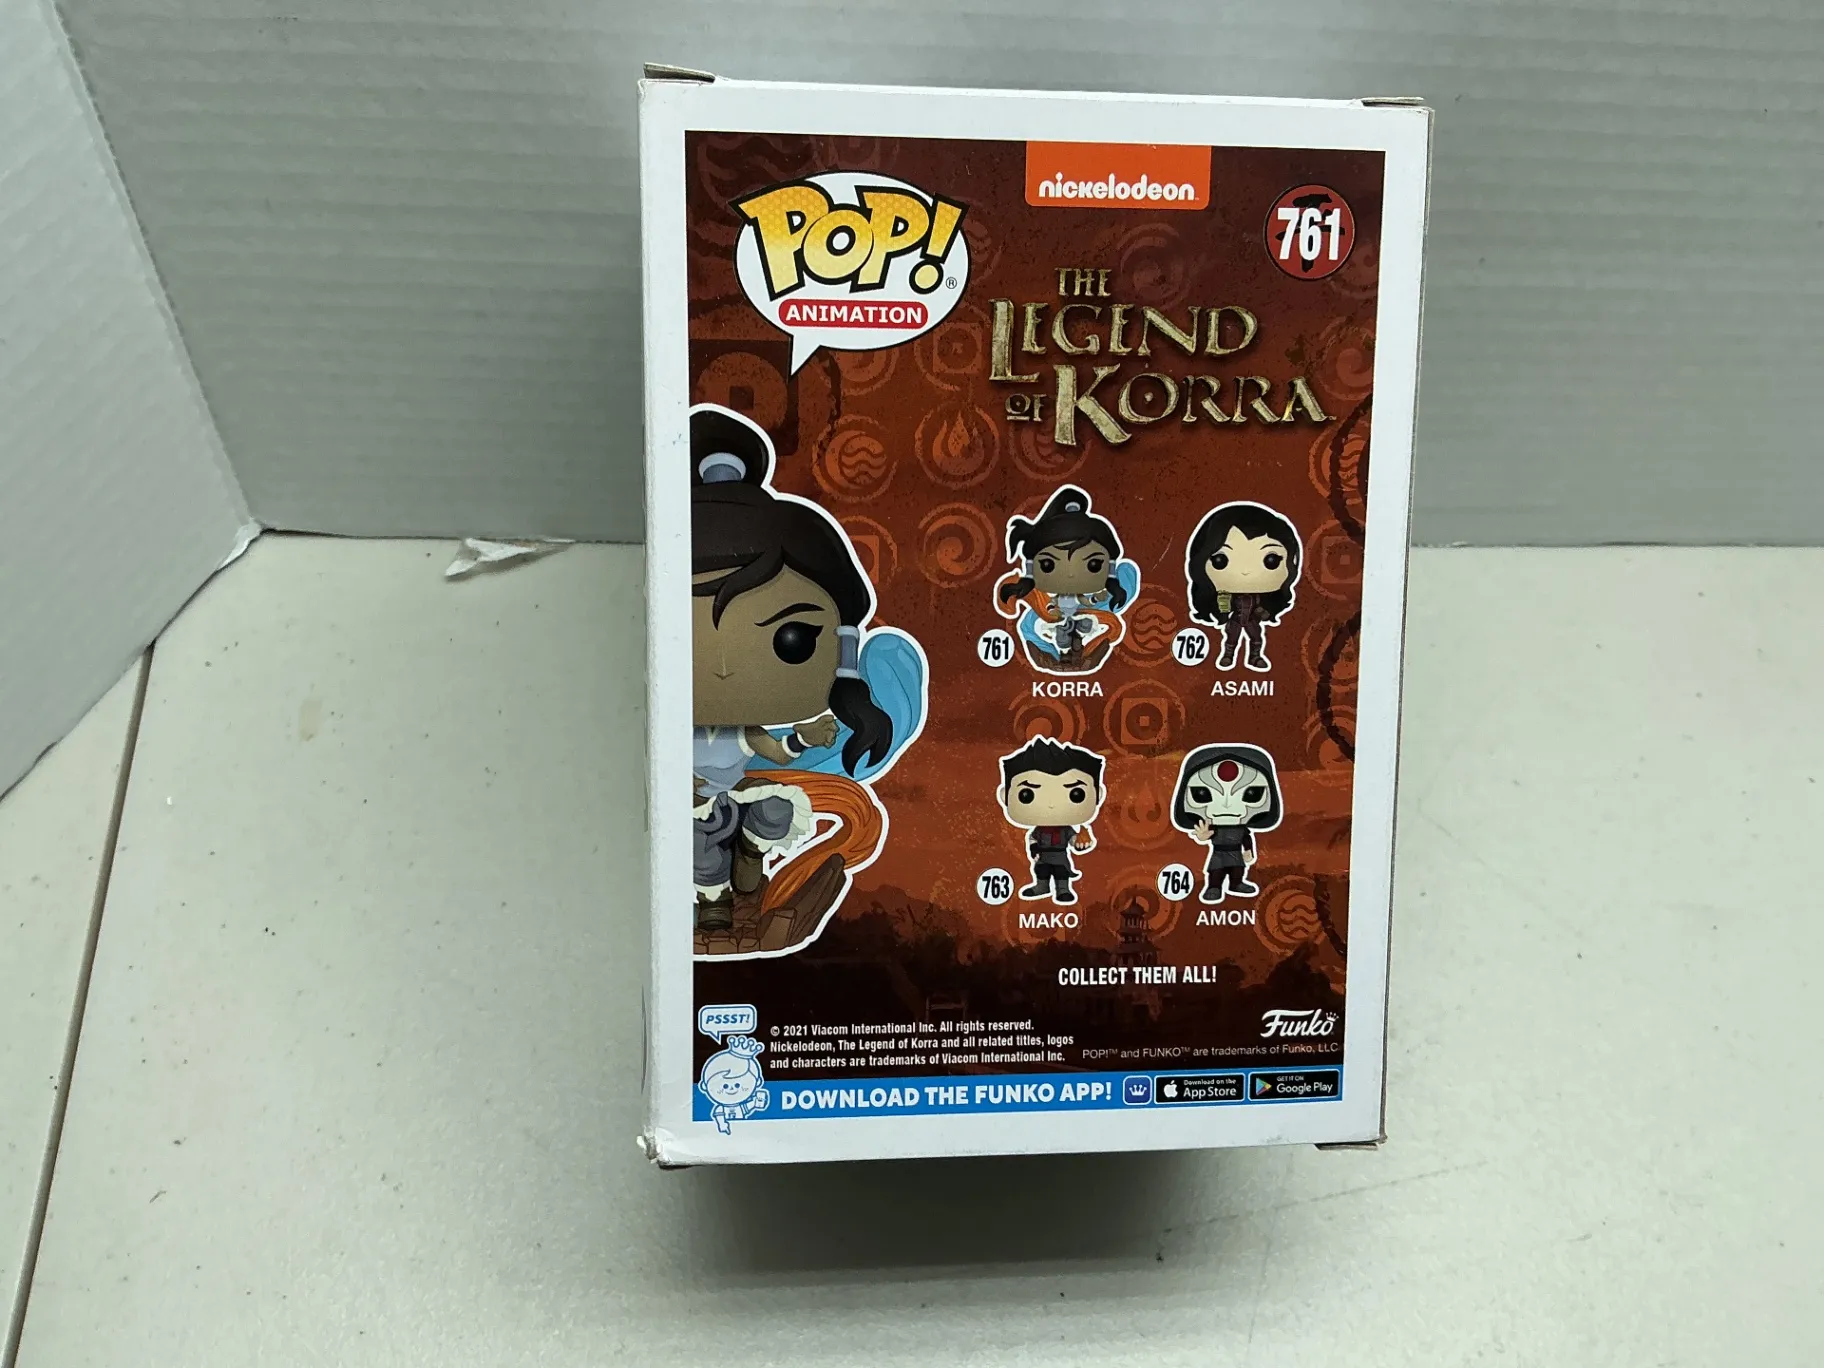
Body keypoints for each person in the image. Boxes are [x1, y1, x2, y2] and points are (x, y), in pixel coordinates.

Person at [995, 485, 1137, 674]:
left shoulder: (1108, 596)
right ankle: (1056, 655)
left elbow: (1115, 586)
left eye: (1093, 564)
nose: (1070, 575)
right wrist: (1051, 612)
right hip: (1056, 617)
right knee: (1031, 628)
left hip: (1089, 613)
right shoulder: (1040, 605)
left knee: (1088, 624)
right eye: (1048, 565)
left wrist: (1097, 598)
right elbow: (1036, 623)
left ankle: (1082, 649)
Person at [1183, 502, 1302, 672]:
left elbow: (1260, 607)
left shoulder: (1259, 597)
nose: (1246, 571)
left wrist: (1263, 612)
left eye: (1271, 560)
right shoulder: (1226, 595)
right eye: (1220, 560)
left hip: (1252, 619)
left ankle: (1255, 657)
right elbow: (1224, 606)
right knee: (1232, 639)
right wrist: (1223, 613)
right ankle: (1228, 656)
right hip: (1236, 619)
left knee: (1256, 639)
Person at [997, 736, 1106, 904]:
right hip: (1043, 855)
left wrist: (1081, 842)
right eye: (1027, 795)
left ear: (1097, 795)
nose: (1051, 805)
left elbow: (1073, 840)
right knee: (1042, 871)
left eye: (1076, 794)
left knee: (1061, 873)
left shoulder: (1066, 830)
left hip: (1060, 855)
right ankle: (1042, 887)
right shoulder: (1038, 831)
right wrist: (1034, 849)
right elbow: (1032, 839)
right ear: (1005, 796)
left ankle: (1063, 890)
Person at [1169, 743, 1283, 902]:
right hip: (1218, 853)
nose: (1227, 806)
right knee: (1216, 871)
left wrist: (1248, 850)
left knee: (1238, 870)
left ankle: (1236, 884)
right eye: (1201, 793)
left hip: (1236, 853)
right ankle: (1213, 887)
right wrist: (1203, 836)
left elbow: (1246, 838)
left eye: (1252, 793)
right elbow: (1209, 834)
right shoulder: (1214, 827)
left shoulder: (1242, 829)